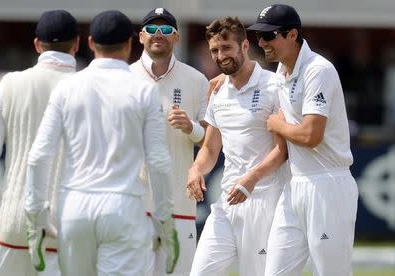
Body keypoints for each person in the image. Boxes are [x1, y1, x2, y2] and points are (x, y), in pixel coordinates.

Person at [24, 10, 179, 276]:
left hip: (74, 207)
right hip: (123, 208)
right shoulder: (143, 91)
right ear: (130, 44)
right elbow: (158, 161)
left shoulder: (67, 87)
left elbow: (39, 156)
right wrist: (165, 222)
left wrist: (35, 220)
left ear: (91, 42)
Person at [0, 10, 79, 275]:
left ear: (38, 45)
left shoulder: (10, 83)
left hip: (14, 222)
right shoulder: (88, 86)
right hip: (68, 224)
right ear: (76, 43)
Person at [248, 4, 358, 275]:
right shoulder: (281, 73)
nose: (262, 43)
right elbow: (254, 79)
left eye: (269, 36)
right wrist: (223, 81)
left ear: (292, 35)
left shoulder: (317, 70)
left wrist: (277, 125)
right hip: (295, 184)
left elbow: (311, 135)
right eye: (259, 37)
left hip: (328, 185)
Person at [186, 16, 290, 276]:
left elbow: (283, 150)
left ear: (244, 46)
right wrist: (196, 170)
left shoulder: (273, 85)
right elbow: (210, 149)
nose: (220, 56)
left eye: (226, 48)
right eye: (214, 51)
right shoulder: (218, 91)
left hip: (265, 201)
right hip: (226, 204)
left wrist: (251, 179)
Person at [129, 7, 208, 276]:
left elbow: (211, 140)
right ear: (141, 36)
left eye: (165, 30)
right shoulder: (124, 78)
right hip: (134, 205)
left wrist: (191, 128)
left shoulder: (197, 80)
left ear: (176, 38)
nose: (158, 35)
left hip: (179, 204)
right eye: (151, 29)